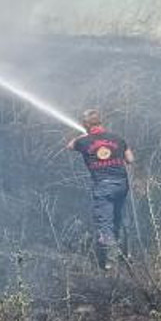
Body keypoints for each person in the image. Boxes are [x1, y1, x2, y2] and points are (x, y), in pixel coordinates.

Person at [66, 109, 135, 271]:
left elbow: (69, 146)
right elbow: (130, 159)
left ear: (85, 124)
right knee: (119, 218)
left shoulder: (83, 141)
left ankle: (111, 263)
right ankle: (126, 254)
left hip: (103, 186)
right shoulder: (117, 138)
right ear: (101, 122)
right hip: (121, 185)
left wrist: (84, 135)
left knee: (105, 223)